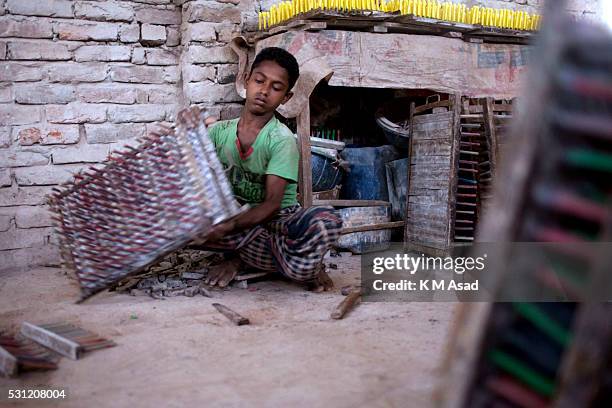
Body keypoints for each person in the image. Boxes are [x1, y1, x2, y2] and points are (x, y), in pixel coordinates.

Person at [190, 47, 342, 292]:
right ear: (246, 81)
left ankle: (243, 259)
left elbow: (272, 205)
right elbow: (192, 171)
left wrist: (229, 227)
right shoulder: (219, 132)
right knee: (187, 224)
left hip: (277, 222)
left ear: (286, 97)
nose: (264, 91)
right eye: (259, 81)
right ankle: (292, 264)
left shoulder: (281, 139)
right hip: (240, 221)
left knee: (326, 221)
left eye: (276, 87)